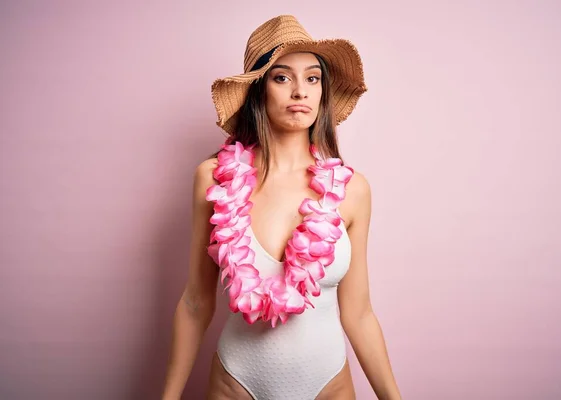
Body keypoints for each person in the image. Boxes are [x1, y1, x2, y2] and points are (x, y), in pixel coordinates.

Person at [162, 15, 402, 400]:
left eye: (312, 78)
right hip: (236, 383)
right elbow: (195, 301)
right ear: (258, 90)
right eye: (281, 77)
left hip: (328, 386)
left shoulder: (352, 190)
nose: (299, 92)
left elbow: (358, 314)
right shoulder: (213, 180)